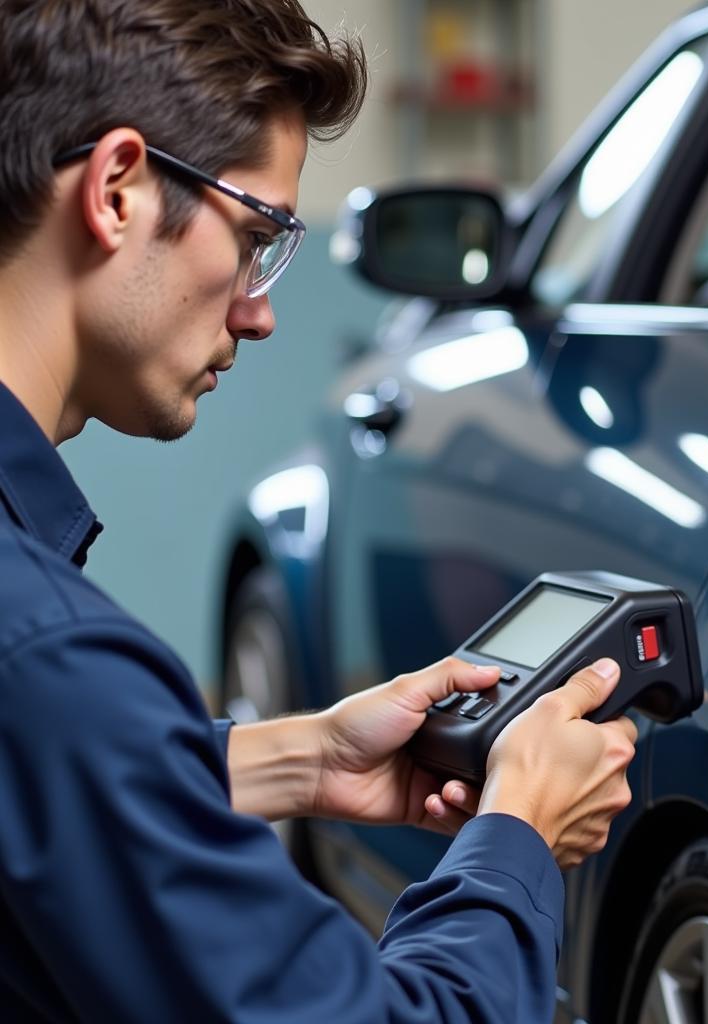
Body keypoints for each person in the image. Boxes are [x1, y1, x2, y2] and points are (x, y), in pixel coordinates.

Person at [0, 1, 638, 1020]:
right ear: (117, 189)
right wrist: (517, 835)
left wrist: (300, 757)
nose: (258, 312)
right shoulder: (49, 654)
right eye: (256, 237)